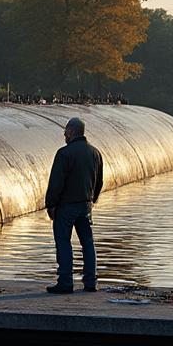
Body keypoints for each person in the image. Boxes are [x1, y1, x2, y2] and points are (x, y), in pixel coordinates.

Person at [44, 117, 104, 294]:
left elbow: (56, 183)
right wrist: (93, 199)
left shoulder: (64, 153)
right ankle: (90, 282)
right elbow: (99, 180)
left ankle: (65, 282)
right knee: (87, 243)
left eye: (66, 131)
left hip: (66, 206)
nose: (64, 134)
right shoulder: (95, 153)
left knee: (63, 242)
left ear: (71, 132)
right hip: (85, 205)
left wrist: (51, 204)